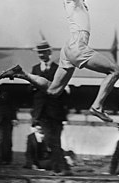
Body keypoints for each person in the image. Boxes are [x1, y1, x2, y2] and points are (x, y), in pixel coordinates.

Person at [0, 0, 119, 123]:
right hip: (78, 46)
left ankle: (21, 74)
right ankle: (97, 106)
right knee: (115, 70)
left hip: (68, 50)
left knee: (53, 90)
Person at [30, 40, 71, 174]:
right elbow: (32, 90)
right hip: (42, 112)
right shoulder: (35, 69)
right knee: (49, 140)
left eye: (43, 52)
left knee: (55, 141)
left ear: (49, 52)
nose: (41, 55)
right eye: (39, 53)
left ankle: (60, 168)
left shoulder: (57, 69)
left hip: (56, 112)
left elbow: (63, 91)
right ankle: (60, 168)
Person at [0, 73, 18, 165]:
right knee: (1, 138)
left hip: (8, 118)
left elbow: (12, 106)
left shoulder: (4, 91)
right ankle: (1, 159)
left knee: (8, 139)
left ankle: (8, 159)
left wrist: (14, 118)